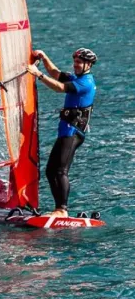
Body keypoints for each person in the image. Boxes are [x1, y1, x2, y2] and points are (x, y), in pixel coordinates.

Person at [27, 48, 97, 218]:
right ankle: (58, 209)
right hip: (65, 130)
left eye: (79, 63)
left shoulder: (85, 82)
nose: (76, 65)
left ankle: (62, 210)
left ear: (88, 65)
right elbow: (56, 74)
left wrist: (39, 75)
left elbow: (59, 87)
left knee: (60, 171)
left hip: (73, 132)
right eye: (75, 62)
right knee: (50, 170)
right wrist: (44, 58)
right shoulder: (77, 77)